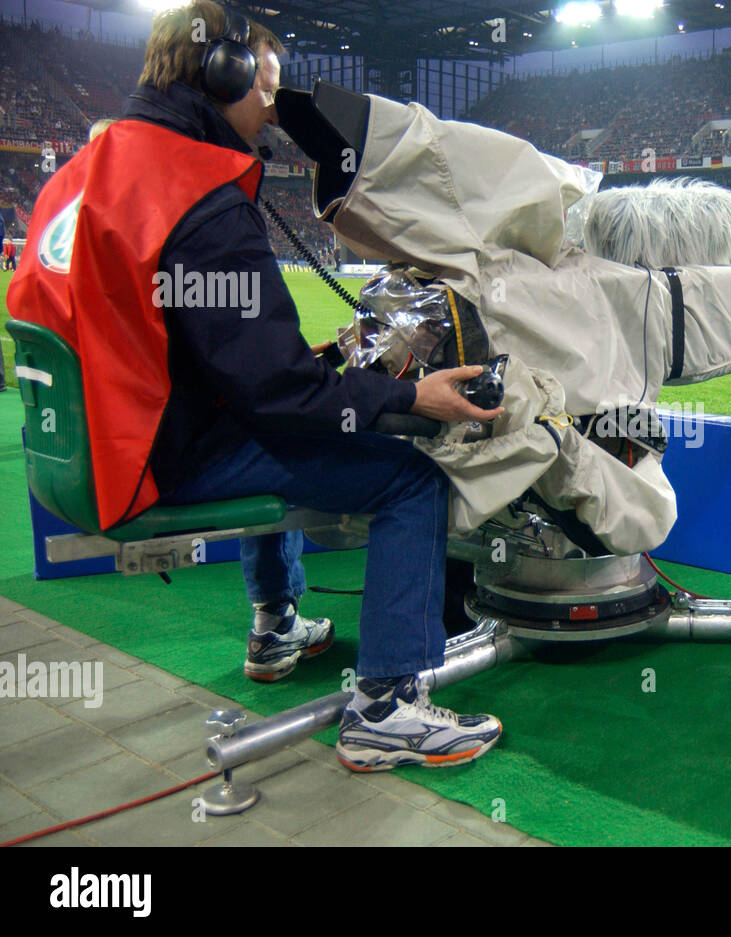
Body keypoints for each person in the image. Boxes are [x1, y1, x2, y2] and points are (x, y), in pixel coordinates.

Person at [8, 1, 505, 773]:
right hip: (156, 457)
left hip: (97, 445)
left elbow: (200, 344)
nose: (274, 115)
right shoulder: (199, 198)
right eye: (266, 93)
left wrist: (313, 363)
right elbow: (276, 395)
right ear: (224, 73)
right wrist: (409, 397)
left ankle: (274, 623)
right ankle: (386, 706)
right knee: (411, 481)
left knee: (290, 415)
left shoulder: (91, 165)